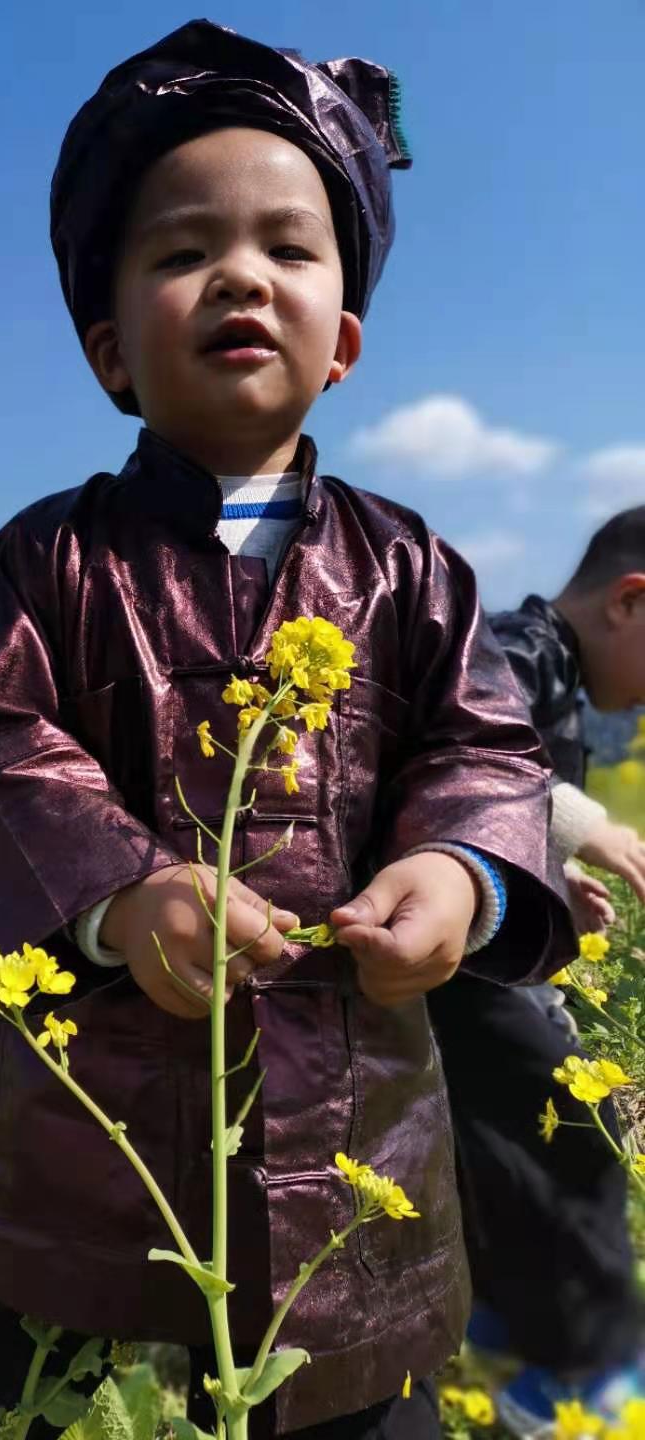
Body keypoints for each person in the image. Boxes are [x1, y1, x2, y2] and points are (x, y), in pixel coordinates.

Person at [0, 21, 575, 1439]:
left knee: (353, 1383)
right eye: (184, 250)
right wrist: (122, 896)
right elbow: (3, 741)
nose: (241, 273)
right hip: (75, 1107)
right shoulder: (52, 560)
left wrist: (462, 877)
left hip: (347, 1101)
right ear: (111, 350)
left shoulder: (414, 566)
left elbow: (485, 749)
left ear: (345, 341)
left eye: (290, 250)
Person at [428, 508, 645, 1434]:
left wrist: (555, 884)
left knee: (502, 1151)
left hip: (490, 956)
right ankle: (579, 1380)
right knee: (576, 1139)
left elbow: (507, 833)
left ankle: (507, 1317)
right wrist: (584, 827)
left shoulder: (558, 674)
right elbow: (459, 747)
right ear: (631, 604)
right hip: (465, 968)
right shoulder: (518, 650)